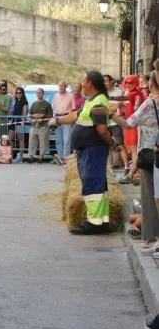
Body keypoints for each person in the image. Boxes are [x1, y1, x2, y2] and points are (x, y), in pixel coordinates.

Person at [50, 71, 114, 235]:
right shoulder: (92, 100)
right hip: (90, 150)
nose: (81, 83)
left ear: (90, 83)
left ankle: (93, 223)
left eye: (83, 81)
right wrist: (57, 121)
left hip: (93, 150)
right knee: (98, 185)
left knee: (92, 185)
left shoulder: (98, 102)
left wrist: (111, 144)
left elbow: (102, 130)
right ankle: (102, 221)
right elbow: (74, 116)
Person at [102, 71, 159, 253]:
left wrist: (109, 114)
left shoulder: (150, 104)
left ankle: (151, 237)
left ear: (152, 83)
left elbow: (129, 123)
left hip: (150, 156)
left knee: (150, 199)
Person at [105, 74, 129, 174]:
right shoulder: (102, 93)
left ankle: (126, 167)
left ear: (111, 81)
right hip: (105, 123)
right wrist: (110, 106)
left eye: (106, 81)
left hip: (116, 122)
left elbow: (117, 107)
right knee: (107, 146)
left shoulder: (118, 91)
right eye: (103, 81)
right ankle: (110, 168)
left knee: (120, 145)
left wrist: (106, 107)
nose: (104, 83)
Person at [52, 81, 76, 163]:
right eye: (60, 86)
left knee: (66, 140)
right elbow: (53, 108)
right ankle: (59, 158)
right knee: (58, 140)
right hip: (57, 118)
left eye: (63, 86)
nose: (61, 87)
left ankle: (66, 159)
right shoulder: (55, 96)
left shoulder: (71, 95)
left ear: (65, 87)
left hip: (66, 118)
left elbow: (73, 109)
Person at [28, 88, 53, 164]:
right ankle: (31, 157)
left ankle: (40, 157)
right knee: (32, 142)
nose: (38, 94)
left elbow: (50, 115)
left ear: (43, 93)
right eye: (37, 93)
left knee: (43, 142)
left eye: (40, 93)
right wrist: (34, 116)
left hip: (43, 126)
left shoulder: (47, 104)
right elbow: (30, 114)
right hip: (34, 126)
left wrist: (43, 116)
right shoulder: (33, 104)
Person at [9, 87, 28, 163]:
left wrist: (23, 121)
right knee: (10, 138)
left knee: (21, 140)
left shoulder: (24, 102)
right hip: (13, 121)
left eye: (19, 93)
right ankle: (10, 155)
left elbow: (25, 113)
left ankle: (20, 156)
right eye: (16, 93)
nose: (18, 94)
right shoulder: (16, 101)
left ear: (22, 94)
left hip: (20, 122)